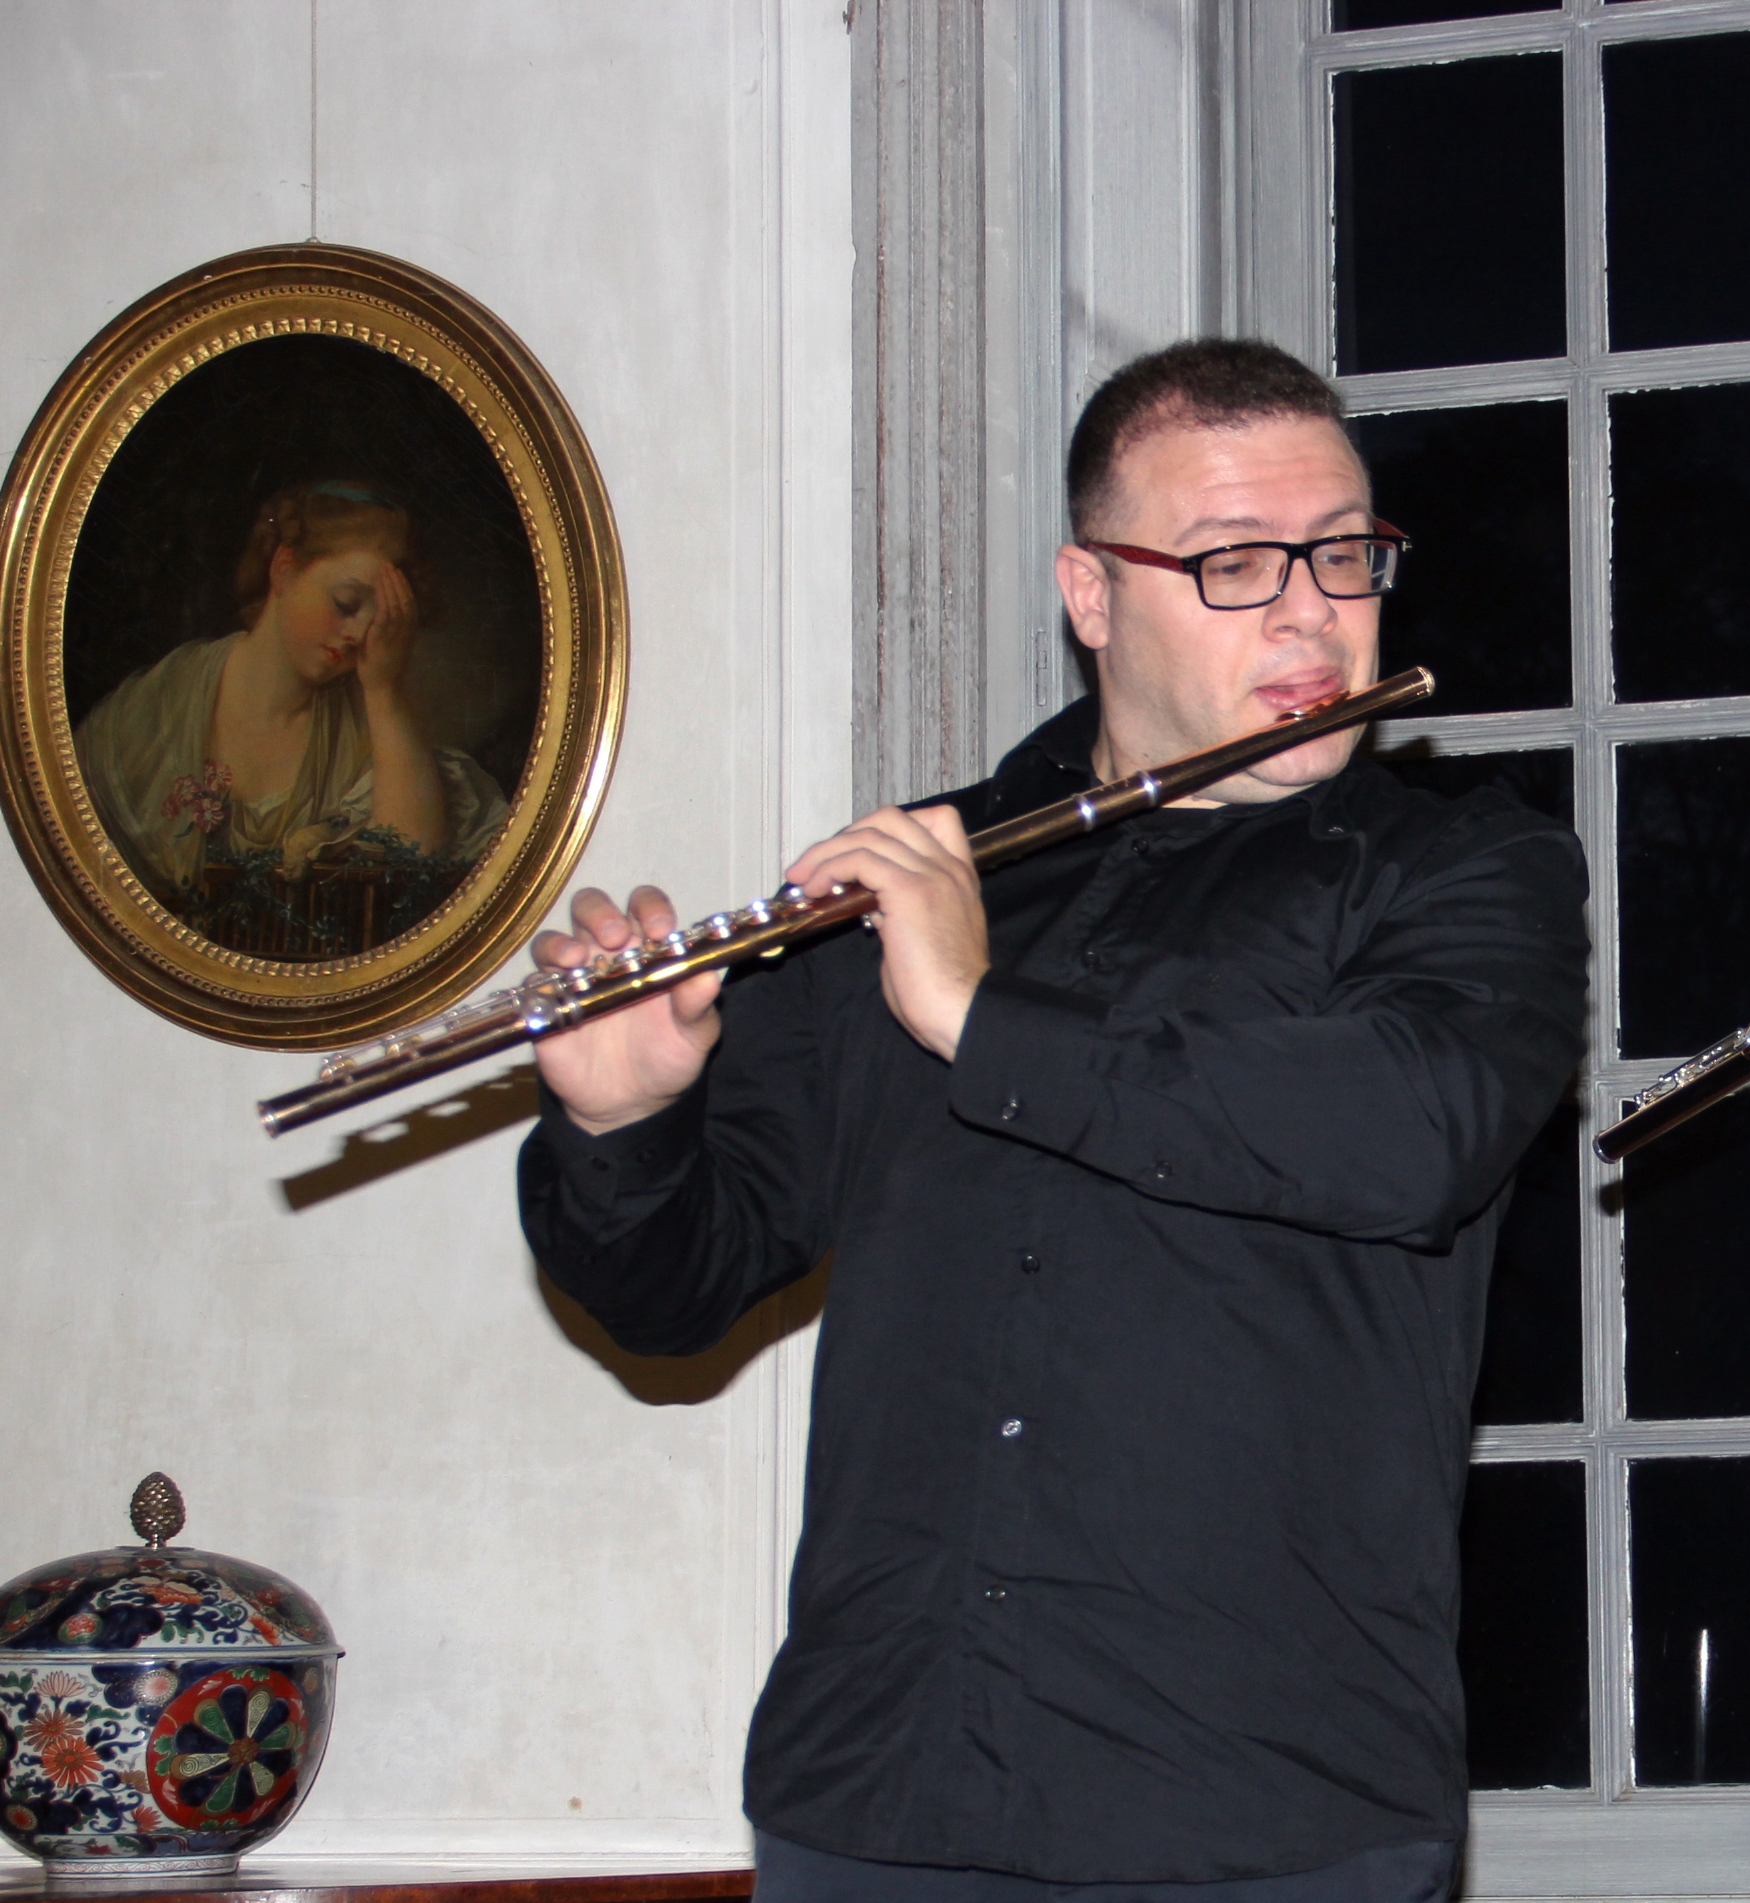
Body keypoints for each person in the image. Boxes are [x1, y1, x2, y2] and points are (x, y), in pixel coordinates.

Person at [519, 339, 1587, 1902]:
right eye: (1233, 562)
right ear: (1090, 595)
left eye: (1344, 553)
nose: (1310, 612)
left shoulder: (1461, 873)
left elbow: (1406, 1133)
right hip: (877, 1788)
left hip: (1263, 1814)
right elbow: (673, 1285)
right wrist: (623, 1122)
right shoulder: (922, 878)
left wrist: (976, 1016)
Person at [75, 482, 509, 949]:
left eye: (379, 618)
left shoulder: (377, 733)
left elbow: (408, 869)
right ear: (283, 569)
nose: (360, 633)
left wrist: (384, 690)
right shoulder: (158, 706)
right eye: (345, 603)